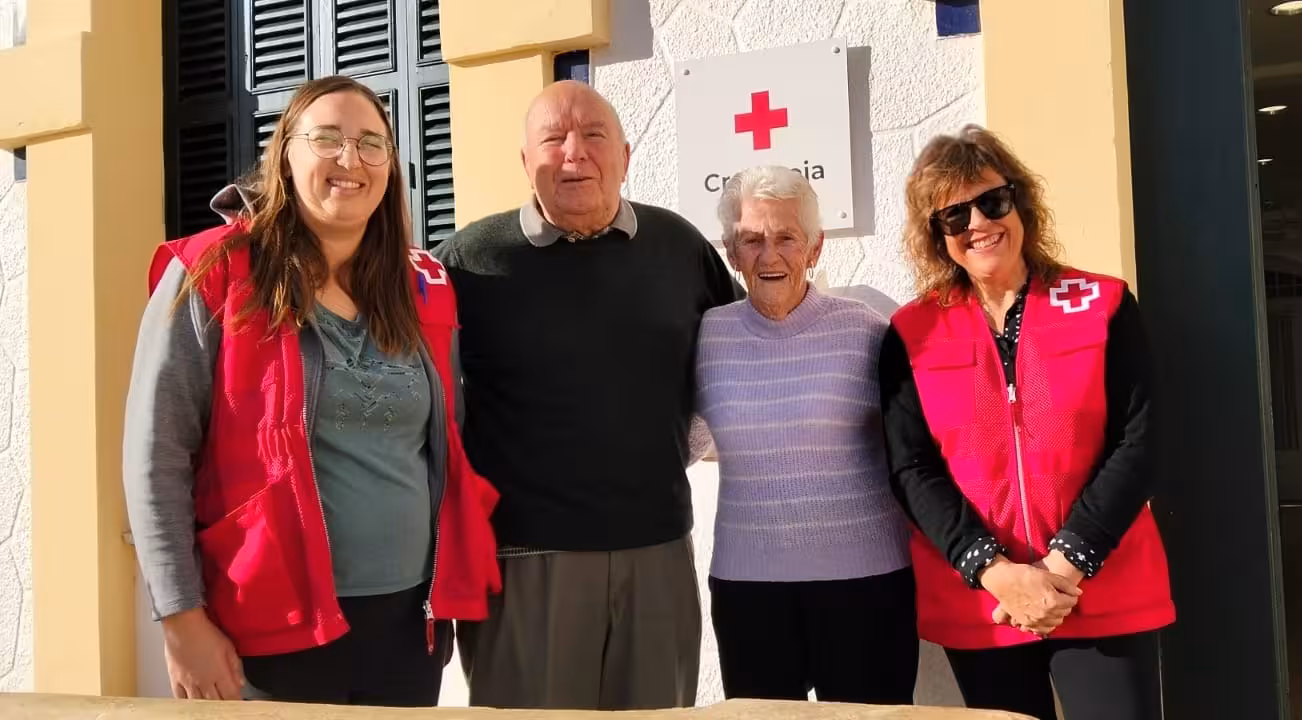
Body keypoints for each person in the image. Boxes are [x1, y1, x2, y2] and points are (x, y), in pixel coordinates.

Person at [122, 75, 500, 707]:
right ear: (284, 156)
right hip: (269, 628)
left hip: (409, 624)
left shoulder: (423, 287)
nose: (351, 159)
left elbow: (447, 442)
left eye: (371, 143)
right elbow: (155, 456)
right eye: (327, 138)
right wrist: (181, 619)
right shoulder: (211, 274)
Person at [433, 80, 740, 711]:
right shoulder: (467, 260)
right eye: (553, 139)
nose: (574, 152)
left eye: (594, 135)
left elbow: (741, 353)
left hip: (657, 551)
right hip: (524, 560)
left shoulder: (679, 247)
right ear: (525, 161)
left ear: (625, 156)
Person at [878, 124, 1174, 720]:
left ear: (1020, 203)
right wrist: (994, 572)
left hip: (1101, 588)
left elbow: (1139, 442)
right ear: (937, 236)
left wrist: (1066, 564)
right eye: (954, 215)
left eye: (992, 201)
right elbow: (911, 469)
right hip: (989, 602)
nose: (978, 224)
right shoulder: (912, 333)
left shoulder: (1102, 303)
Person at [695, 166, 918, 704]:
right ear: (731, 252)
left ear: (815, 248)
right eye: (751, 239)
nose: (768, 255)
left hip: (866, 585)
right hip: (749, 589)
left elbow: (913, 450)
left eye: (786, 238)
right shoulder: (708, 335)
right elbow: (687, 438)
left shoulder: (866, 330)